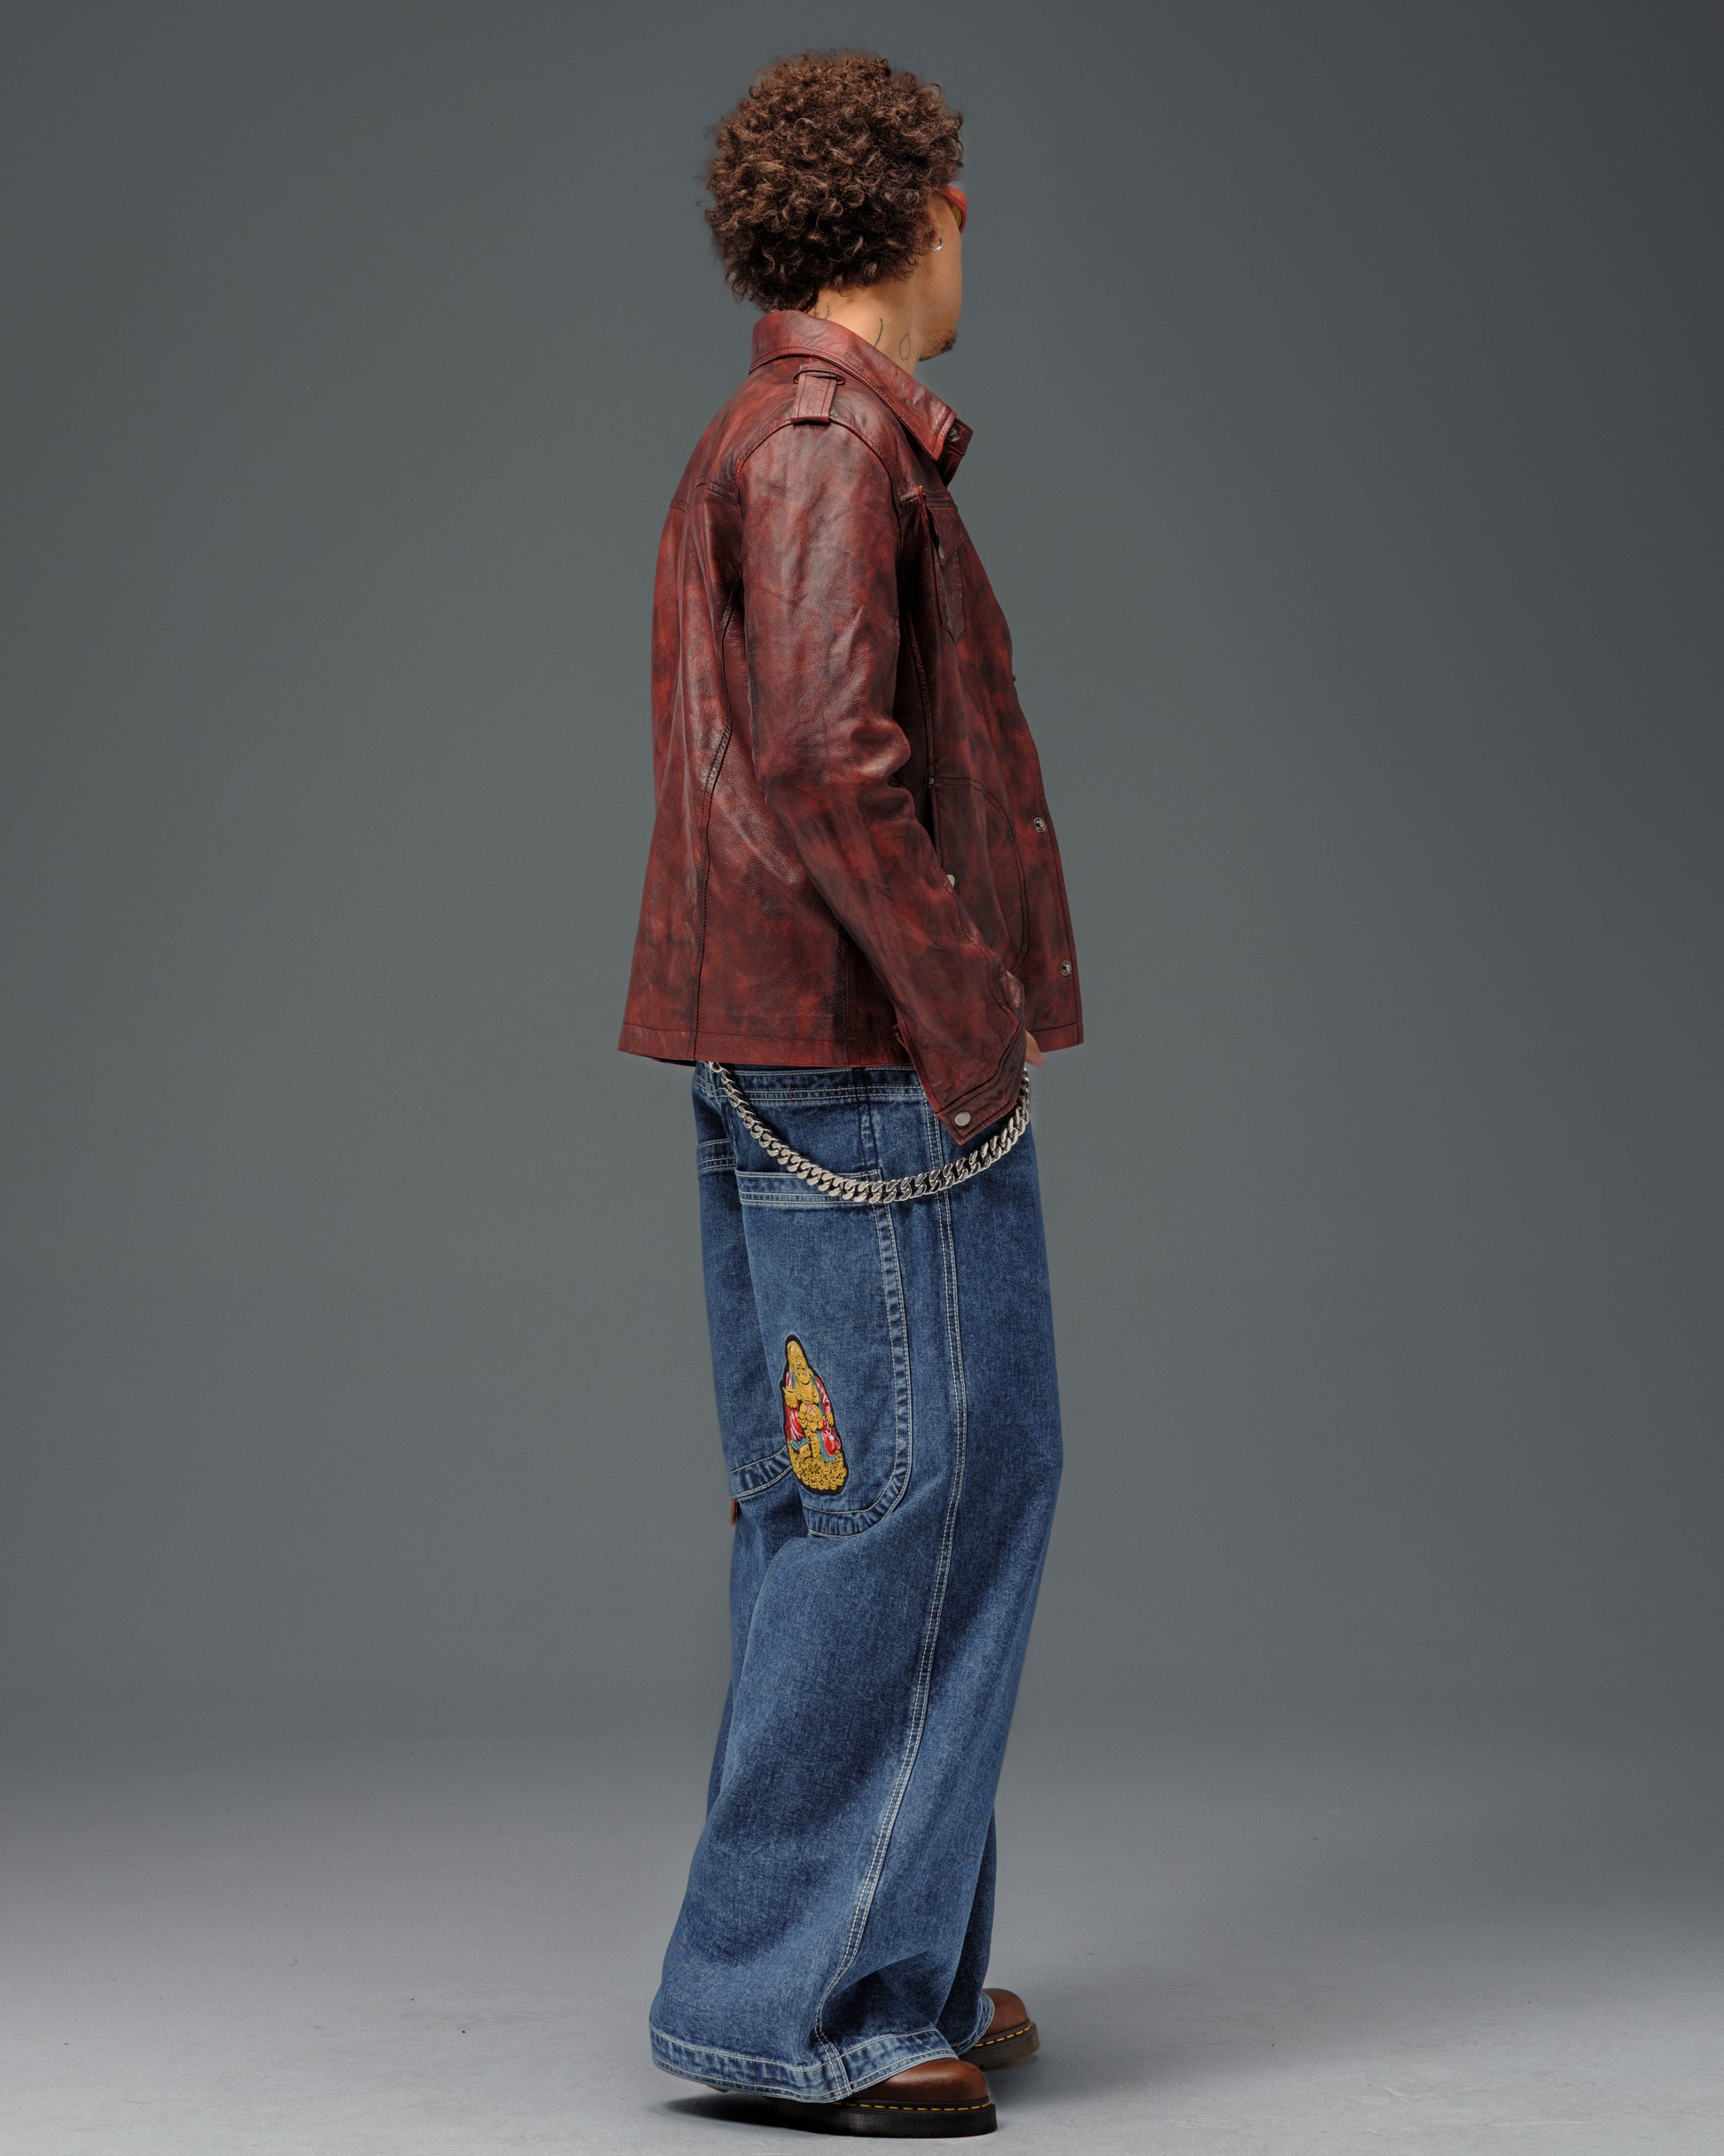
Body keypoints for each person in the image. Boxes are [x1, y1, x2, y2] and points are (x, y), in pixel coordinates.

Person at [617, 50, 1083, 2138]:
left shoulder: (785, 434)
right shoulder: (825, 445)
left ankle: (882, 1957)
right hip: (866, 1066)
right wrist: (964, 1013)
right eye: (961, 197)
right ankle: (802, 2000)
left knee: (870, 1505)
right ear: (920, 212)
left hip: (798, 1051)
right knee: (915, 1505)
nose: (973, 225)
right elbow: (824, 755)